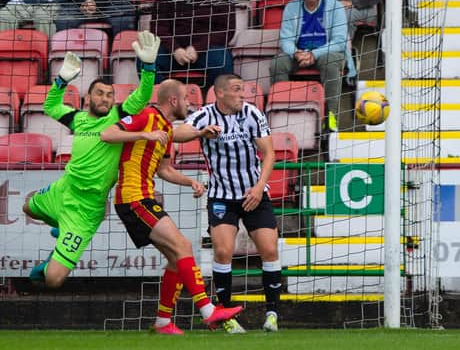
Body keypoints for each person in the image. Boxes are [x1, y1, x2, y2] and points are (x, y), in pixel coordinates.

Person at [100, 79, 243, 334]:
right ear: (174, 101)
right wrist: (143, 133)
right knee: (184, 246)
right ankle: (208, 310)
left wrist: (190, 181)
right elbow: (107, 134)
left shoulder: (165, 128)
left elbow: (164, 169)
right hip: (132, 197)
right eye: (187, 100)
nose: (189, 105)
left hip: (144, 197)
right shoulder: (146, 115)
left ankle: (163, 322)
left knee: (177, 259)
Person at [22, 31, 160, 289]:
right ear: (88, 98)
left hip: (86, 210)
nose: (105, 98)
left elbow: (141, 97)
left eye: (109, 94)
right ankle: (60, 230)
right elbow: (51, 107)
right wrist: (61, 80)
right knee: (28, 206)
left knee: (53, 280)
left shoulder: (118, 116)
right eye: (100, 93)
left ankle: (55, 252)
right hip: (65, 189)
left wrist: (149, 68)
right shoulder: (78, 119)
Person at [174, 73, 280, 334]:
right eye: (236, 89)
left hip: (253, 193)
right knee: (223, 252)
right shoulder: (205, 115)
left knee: (269, 249)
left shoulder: (252, 114)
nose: (242, 94)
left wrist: (258, 188)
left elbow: (269, 154)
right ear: (219, 93)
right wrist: (200, 132)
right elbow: (177, 133)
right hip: (221, 195)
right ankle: (226, 314)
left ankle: (272, 314)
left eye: (242, 89)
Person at [270, 0, 351, 133]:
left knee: (329, 63)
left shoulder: (335, 6)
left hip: (327, 52)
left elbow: (339, 41)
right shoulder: (291, 8)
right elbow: (285, 40)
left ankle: (330, 118)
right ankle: (283, 112)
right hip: (299, 53)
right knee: (278, 64)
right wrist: (296, 53)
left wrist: (314, 54)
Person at [151, 0, 235, 90]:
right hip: (172, 52)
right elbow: (158, 26)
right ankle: (161, 100)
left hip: (207, 51)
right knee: (145, 60)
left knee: (223, 60)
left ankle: (210, 101)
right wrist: (175, 49)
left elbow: (226, 30)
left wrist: (198, 48)